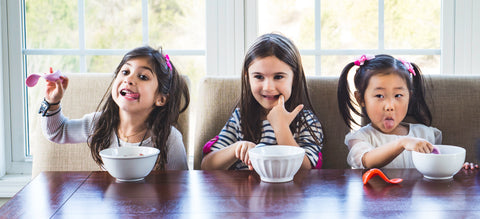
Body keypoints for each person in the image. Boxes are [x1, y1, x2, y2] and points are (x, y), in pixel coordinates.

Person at [40, 46, 190, 170]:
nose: (129, 79)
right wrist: (52, 101)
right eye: (125, 72)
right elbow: (56, 132)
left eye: (143, 77)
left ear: (161, 98)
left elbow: (181, 185)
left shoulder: (169, 139)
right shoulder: (98, 124)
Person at [201, 33, 324, 170]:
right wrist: (236, 148)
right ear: (248, 78)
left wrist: (281, 127)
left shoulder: (306, 121)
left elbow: (305, 170)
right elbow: (207, 166)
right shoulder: (240, 118)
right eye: (259, 77)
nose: (268, 87)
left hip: (289, 191)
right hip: (245, 190)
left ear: (294, 78)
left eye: (278, 77)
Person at [338, 54, 478, 169]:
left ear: (409, 97)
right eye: (379, 96)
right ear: (360, 99)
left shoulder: (425, 134)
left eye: (398, 96)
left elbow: (437, 165)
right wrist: (402, 143)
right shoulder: (360, 138)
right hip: (376, 202)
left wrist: (459, 168)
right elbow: (367, 160)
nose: (389, 106)